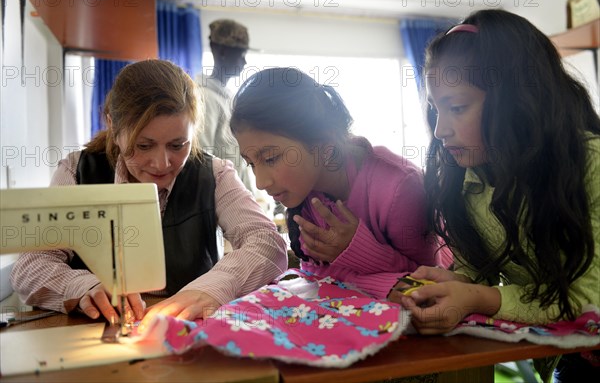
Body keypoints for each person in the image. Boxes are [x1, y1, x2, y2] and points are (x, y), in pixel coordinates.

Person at [386, 9, 600, 382]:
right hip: (575, 354)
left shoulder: (591, 164)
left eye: (456, 108)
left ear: (519, 101)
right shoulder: (470, 181)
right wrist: (456, 285)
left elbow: (591, 297)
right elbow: (477, 270)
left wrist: (480, 298)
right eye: (435, 109)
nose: (439, 130)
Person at [10, 59, 288, 329]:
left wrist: (211, 288)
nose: (162, 163)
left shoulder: (214, 173)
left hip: (188, 334)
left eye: (178, 145)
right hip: (92, 328)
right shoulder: (76, 170)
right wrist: (84, 287)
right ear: (113, 127)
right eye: (143, 145)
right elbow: (32, 264)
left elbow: (266, 242)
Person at [230, 67, 447, 300]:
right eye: (251, 163)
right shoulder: (303, 191)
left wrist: (357, 250)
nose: (260, 182)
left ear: (325, 147)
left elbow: (429, 284)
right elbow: (317, 275)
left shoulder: (399, 187)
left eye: (271, 158)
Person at [196, 19, 256, 195]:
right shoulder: (205, 97)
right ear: (222, 52)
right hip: (217, 198)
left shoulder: (227, 99)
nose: (244, 62)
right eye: (241, 55)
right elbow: (202, 157)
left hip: (233, 194)